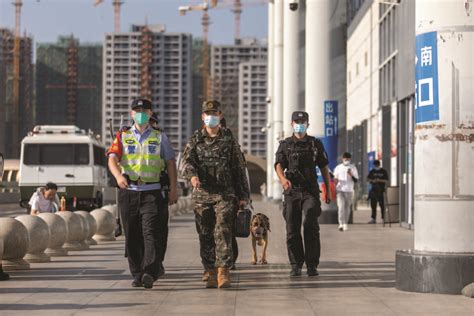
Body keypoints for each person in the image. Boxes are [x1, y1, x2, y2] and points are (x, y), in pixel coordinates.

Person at [107, 98, 178, 289]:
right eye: (137, 110)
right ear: (131, 114)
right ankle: (137, 273)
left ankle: (149, 271)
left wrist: (174, 188)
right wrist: (117, 177)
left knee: (151, 233)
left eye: (144, 110)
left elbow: (171, 162)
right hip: (129, 192)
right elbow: (112, 158)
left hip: (152, 192)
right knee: (132, 235)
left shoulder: (159, 137)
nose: (140, 113)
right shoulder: (122, 136)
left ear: (149, 113)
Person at [181, 100, 250, 288]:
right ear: (202, 116)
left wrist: (244, 195)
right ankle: (209, 269)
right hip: (202, 195)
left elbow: (238, 167)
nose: (211, 116)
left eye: (215, 113)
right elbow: (186, 162)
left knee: (223, 230)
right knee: (205, 233)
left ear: (220, 115)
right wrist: (193, 176)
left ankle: (223, 271)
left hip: (224, 194)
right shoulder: (196, 139)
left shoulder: (228, 139)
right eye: (207, 113)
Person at [274, 111, 332, 277]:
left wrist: (327, 189)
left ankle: (312, 264)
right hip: (292, 191)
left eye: (303, 121)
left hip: (310, 191)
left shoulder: (315, 144)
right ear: (292, 124)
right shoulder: (285, 144)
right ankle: (296, 264)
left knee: (310, 224)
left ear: (308, 124)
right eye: (297, 121)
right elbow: (278, 164)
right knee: (292, 229)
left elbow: (324, 168)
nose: (300, 124)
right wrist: (283, 179)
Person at [334, 152, 359, 232]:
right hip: (340, 190)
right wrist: (335, 181)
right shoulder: (338, 168)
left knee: (347, 208)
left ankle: (345, 223)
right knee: (341, 207)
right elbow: (335, 178)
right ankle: (340, 223)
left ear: (350, 159)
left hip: (349, 190)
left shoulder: (353, 167)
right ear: (342, 159)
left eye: (348, 159)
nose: (346, 160)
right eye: (345, 159)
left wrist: (351, 174)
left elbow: (356, 180)